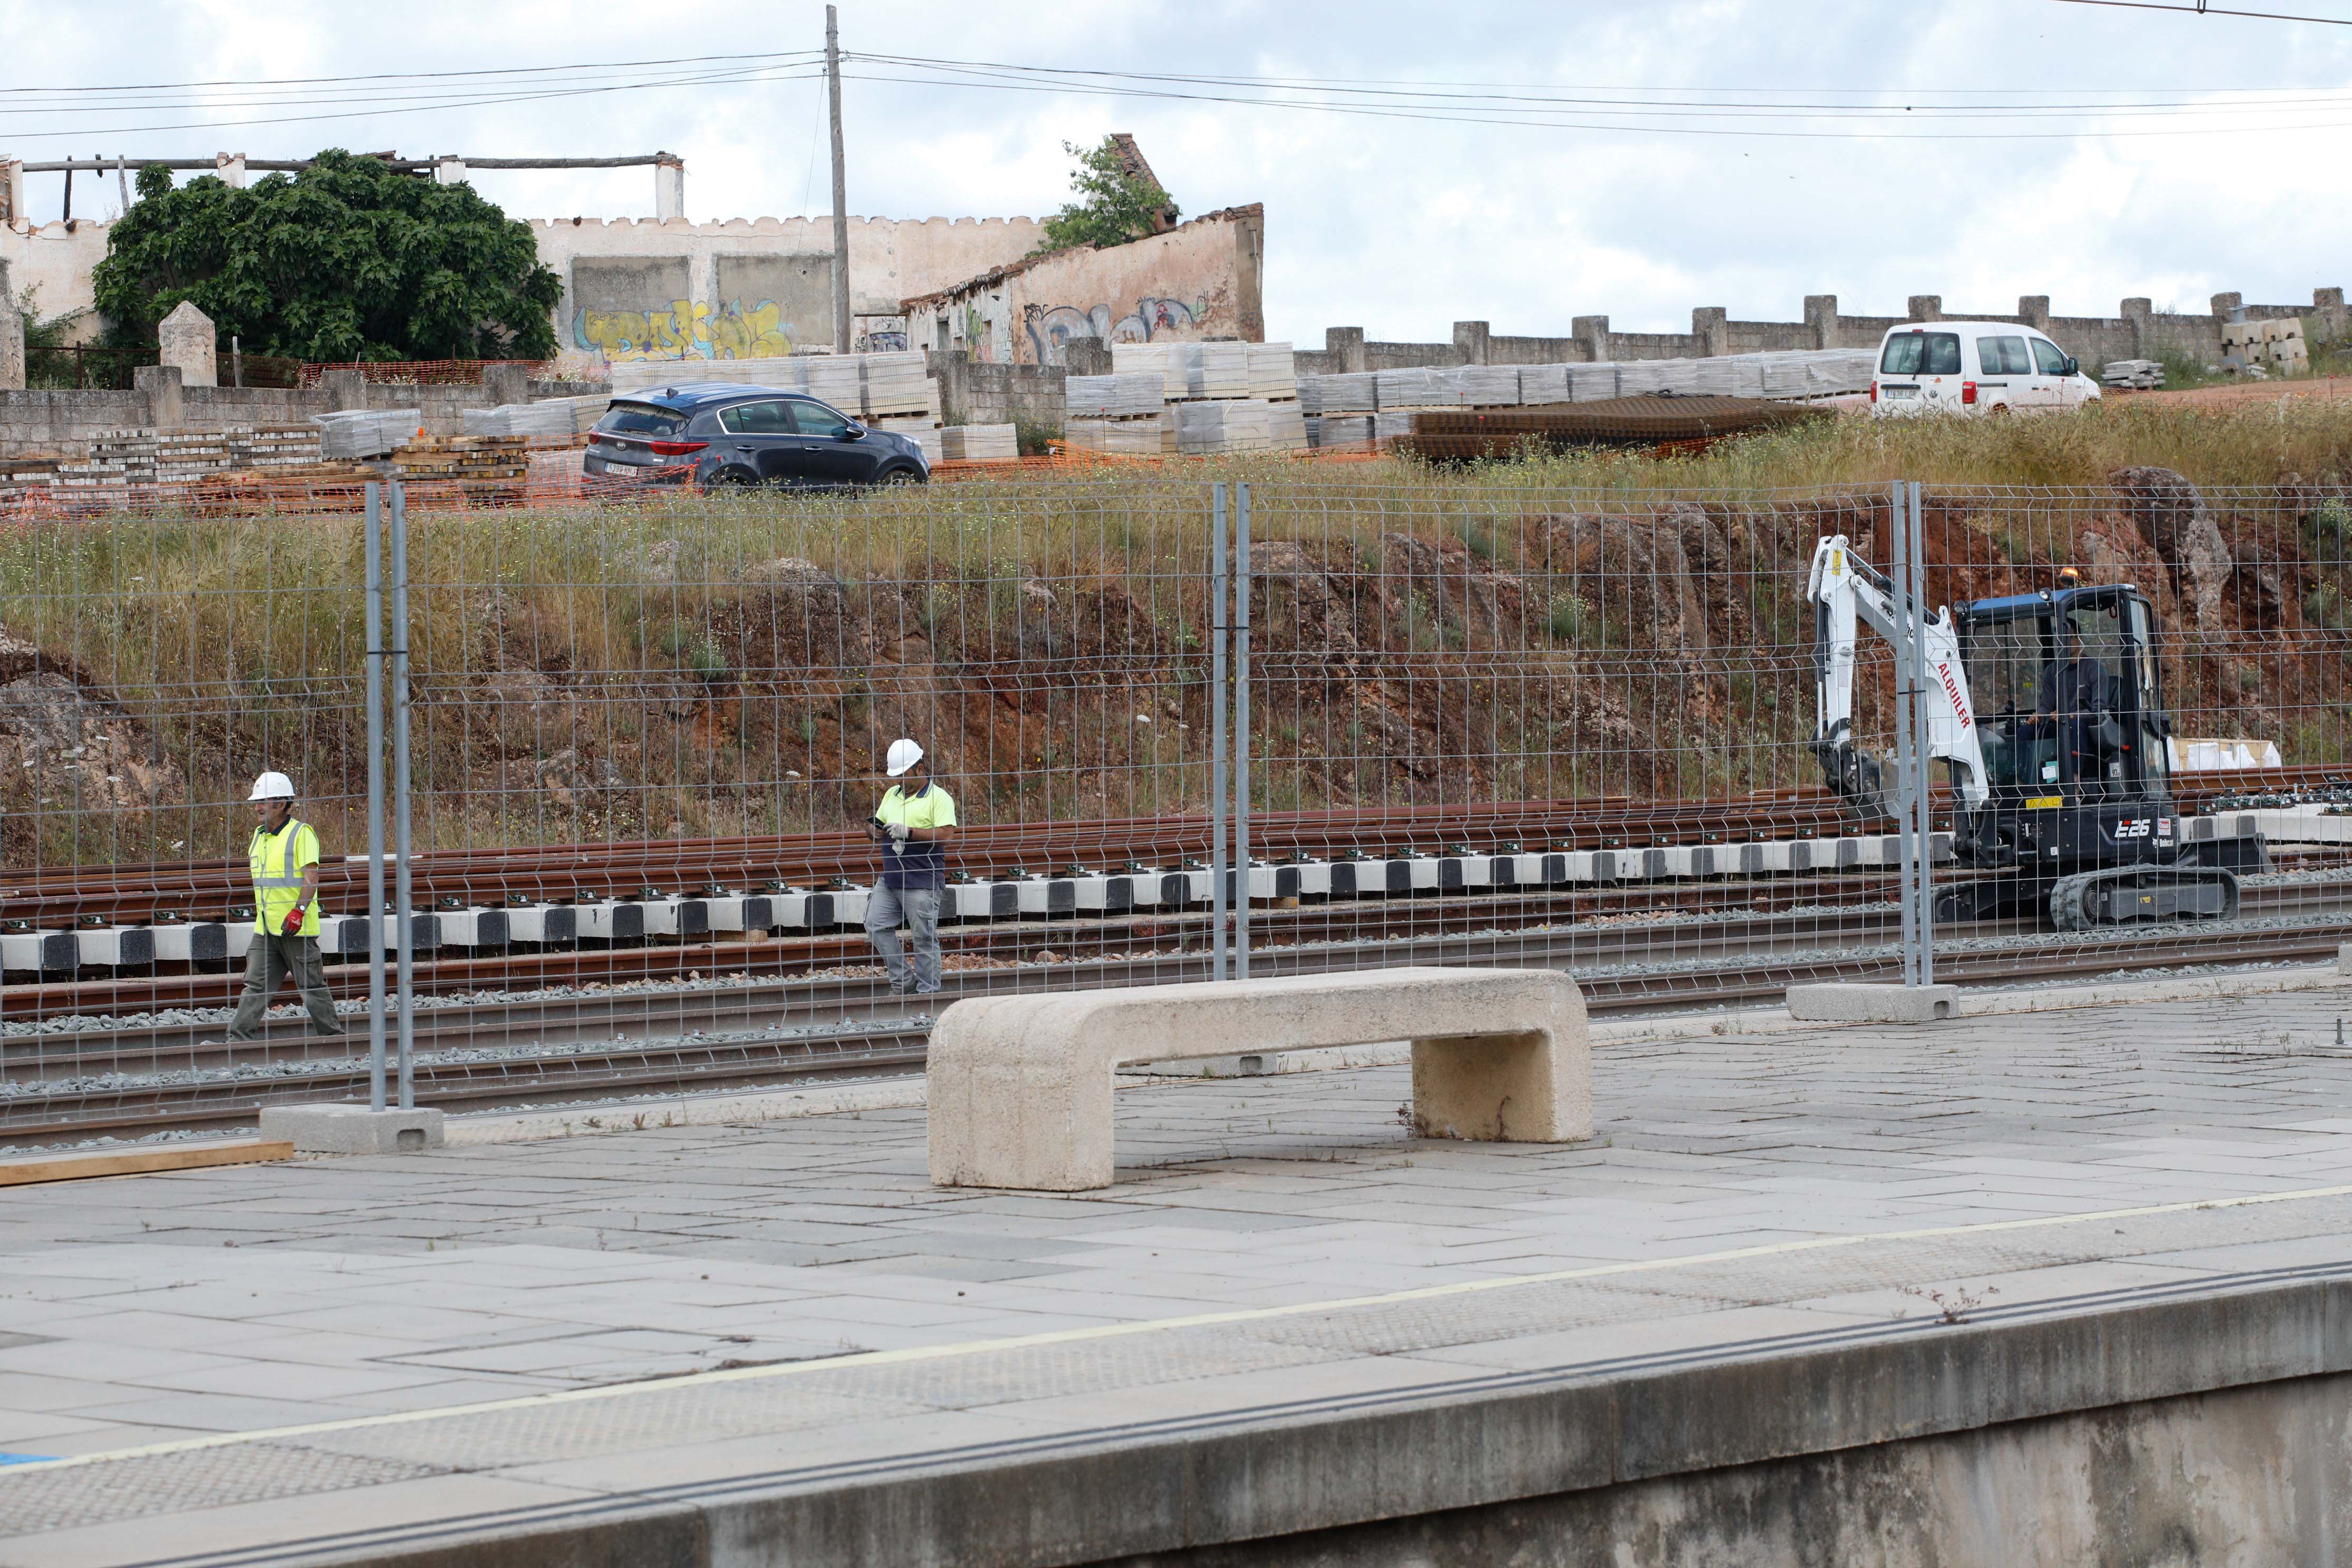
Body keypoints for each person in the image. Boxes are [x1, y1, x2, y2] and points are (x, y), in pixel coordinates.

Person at [226, 772, 346, 1040]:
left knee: (311, 987)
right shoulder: (259, 836)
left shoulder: (301, 834)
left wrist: (299, 911)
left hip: (296, 928)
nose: (257, 807)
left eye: (264, 801)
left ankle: (334, 1040)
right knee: (255, 985)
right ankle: (237, 1040)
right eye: (256, 802)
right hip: (267, 927)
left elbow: (311, 877)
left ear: (281, 804)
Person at [863, 738, 957, 997]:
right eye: (896, 777)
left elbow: (947, 835)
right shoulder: (891, 795)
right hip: (891, 879)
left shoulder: (939, 798)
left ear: (920, 769)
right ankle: (904, 981)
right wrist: (874, 831)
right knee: (875, 924)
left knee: (923, 938)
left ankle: (928, 993)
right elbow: (874, 826)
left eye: (904, 776)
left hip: (922, 880)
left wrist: (911, 832)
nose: (900, 782)